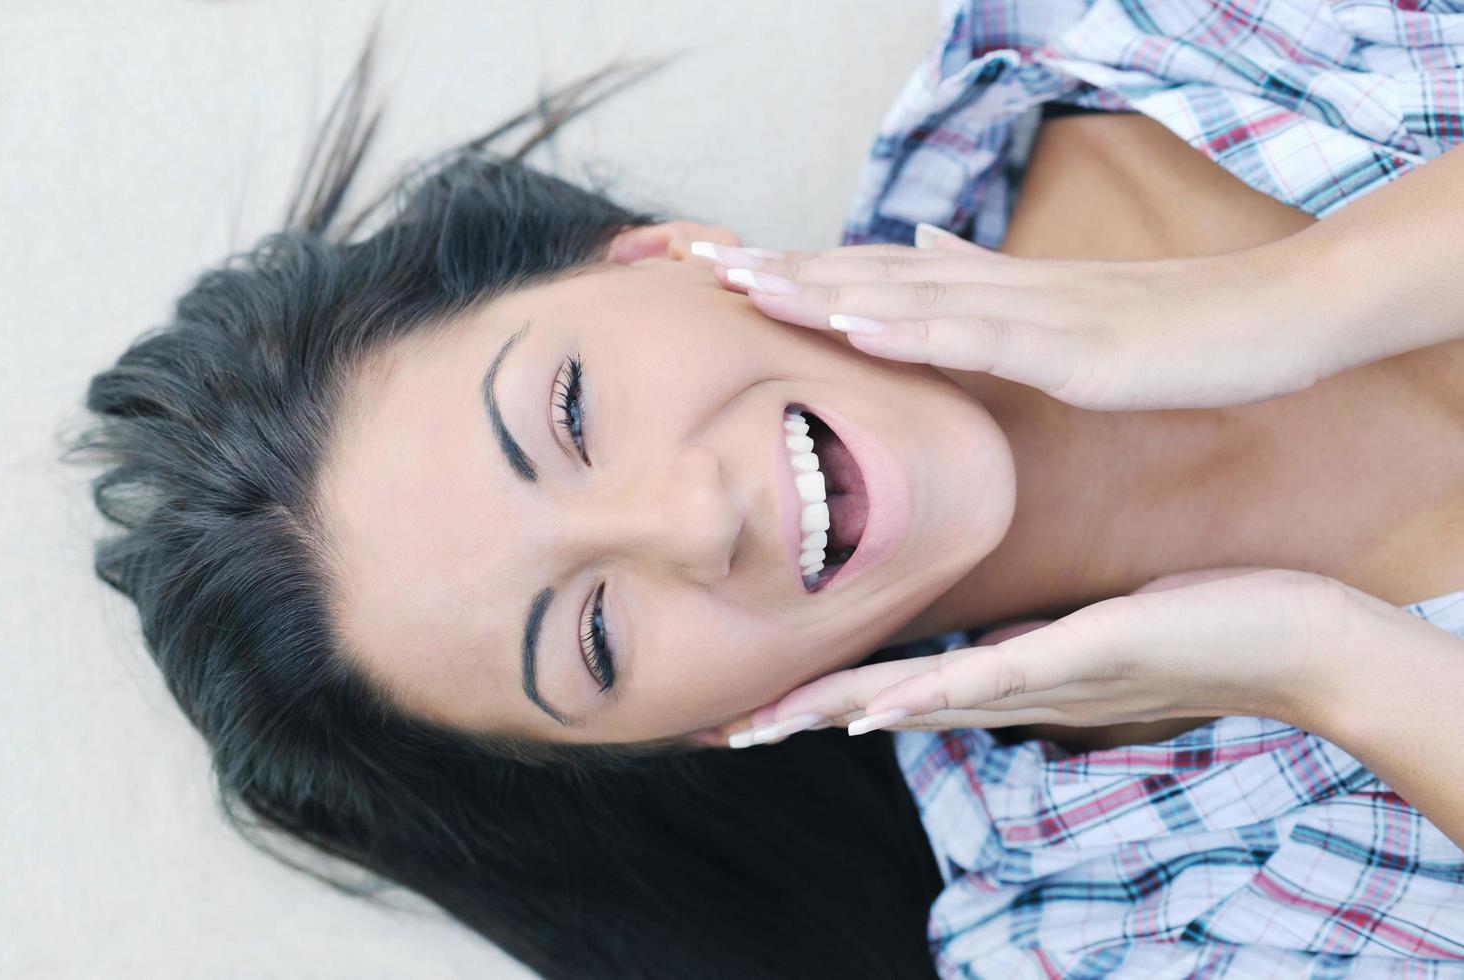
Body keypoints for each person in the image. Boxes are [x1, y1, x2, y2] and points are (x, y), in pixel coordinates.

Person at [77, 2, 1464, 977]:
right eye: (594, 638)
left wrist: (1293, 301)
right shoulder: (1109, 924)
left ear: (662, 257)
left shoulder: (1145, 32)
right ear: (691, 733)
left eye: (569, 414)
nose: (692, 521)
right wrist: (1329, 669)